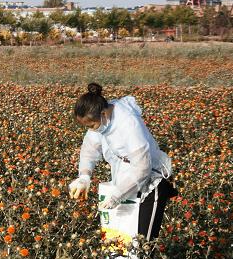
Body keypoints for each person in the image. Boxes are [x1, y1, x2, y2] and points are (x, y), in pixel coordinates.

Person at [68, 83, 176, 241]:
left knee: (142, 243)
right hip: (126, 183)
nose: (91, 130)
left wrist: (117, 196)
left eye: (92, 126)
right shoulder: (99, 120)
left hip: (150, 183)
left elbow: (142, 168)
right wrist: (84, 177)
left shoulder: (127, 122)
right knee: (122, 239)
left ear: (104, 114)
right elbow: (90, 149)